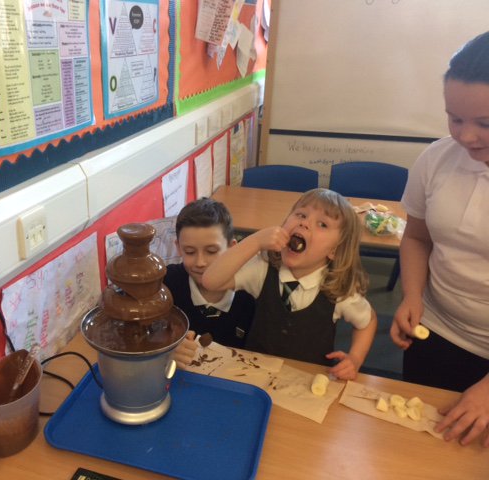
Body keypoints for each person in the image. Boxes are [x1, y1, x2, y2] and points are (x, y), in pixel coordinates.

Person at [390, 31, 489, 447]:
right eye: (455, 118)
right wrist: (412, 296)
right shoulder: (436, 158)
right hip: (437, 331)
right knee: (419, 448)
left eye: (485, 123)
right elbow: (417, 238)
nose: (465, 137)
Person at [202, 188, 377, 380]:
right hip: (254, 374)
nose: (304, 223)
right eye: (301, 214)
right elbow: (211, 281)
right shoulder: (262, 268)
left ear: (335, 251)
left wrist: (355, 358)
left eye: (322, 224)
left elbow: (367, 322)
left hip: (307, 380)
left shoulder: (339, 291)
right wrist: (255, 241)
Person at [166, 198, 255, 368]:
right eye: (190, 252)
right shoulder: (166, 283)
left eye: (211, 251)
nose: (200, 262)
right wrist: (165, 350)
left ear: (232, 248)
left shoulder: (251, 294)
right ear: (178, 248)